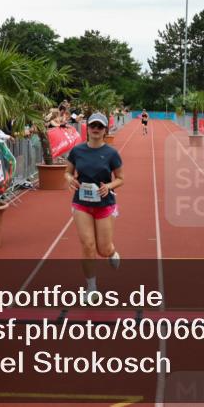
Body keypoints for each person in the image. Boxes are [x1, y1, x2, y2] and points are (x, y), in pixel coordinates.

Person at [65, 112, 124, 297]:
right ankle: (91, 288)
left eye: (100, 127)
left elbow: (121, 179)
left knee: (103, 249)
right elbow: (67, 172)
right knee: (88, 245)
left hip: (104, 203)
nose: (96, 129)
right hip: (82, 203)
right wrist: (69, 179)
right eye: (93, 126)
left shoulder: (111, 153)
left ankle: (112, 252)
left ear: (105, 130)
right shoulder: (77, 151)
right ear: (87, 128)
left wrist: (108, 186)